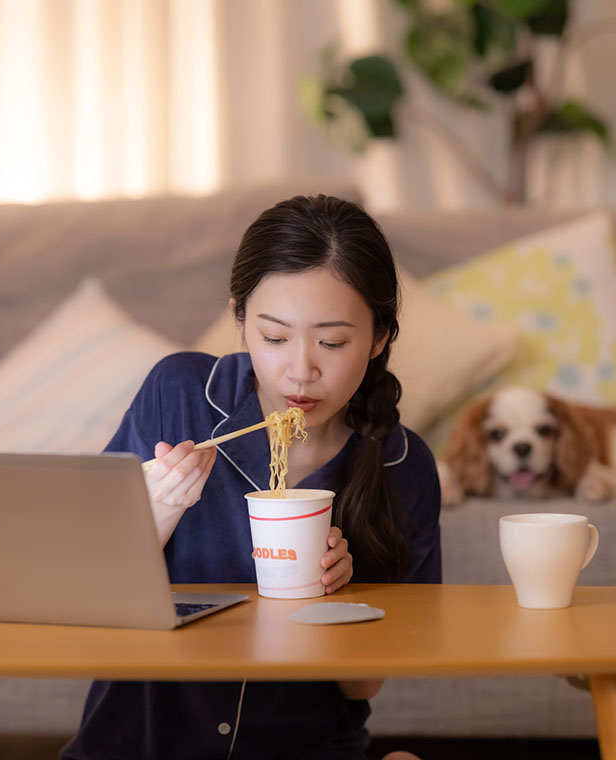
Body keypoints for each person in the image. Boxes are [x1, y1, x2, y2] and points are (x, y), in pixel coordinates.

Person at [60, 194, 441, 760]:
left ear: (380, 336)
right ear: (240, 318)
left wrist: (345, 597)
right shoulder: (180, 395)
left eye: (333, 342)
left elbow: (363, 687)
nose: (301, 371)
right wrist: (158, 512)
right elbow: (80, 604)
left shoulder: (402, 465)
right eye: (274, 337)